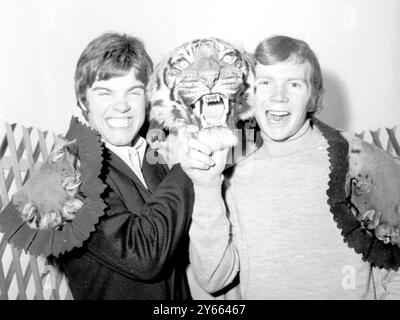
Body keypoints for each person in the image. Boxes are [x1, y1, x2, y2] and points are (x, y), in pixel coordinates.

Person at [184, 35, 400, 299]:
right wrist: (206, 186)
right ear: (248, 95)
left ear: (312, 96)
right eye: (265, 83)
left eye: (294, 84)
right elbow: (213, 279)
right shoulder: (232, 172)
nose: (278, 96)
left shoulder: (358, 158)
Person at [53, 32, 196, 300]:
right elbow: (146, 255)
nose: (122, 106)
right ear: (84, 101)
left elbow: (178, 246)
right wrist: (186, 166)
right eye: (105, 93)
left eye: (133, 92)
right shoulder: (69, 175)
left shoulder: (149, 157)